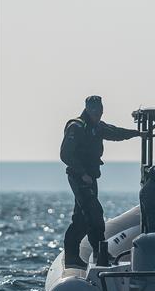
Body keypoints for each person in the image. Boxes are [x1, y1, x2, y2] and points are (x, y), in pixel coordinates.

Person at [60, 95, 140, 268]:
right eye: (95, 111)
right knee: (94, 214)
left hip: (90, 178)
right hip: (79, 177)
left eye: (100, 111)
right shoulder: (76, 127)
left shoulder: (97, 127)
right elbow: (66, 154)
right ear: (88, 109)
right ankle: (98, 252)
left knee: (81, 219)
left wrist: (138, 133)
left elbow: (116, 133)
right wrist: (82, 174)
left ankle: (84, 254)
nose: (98, 114)